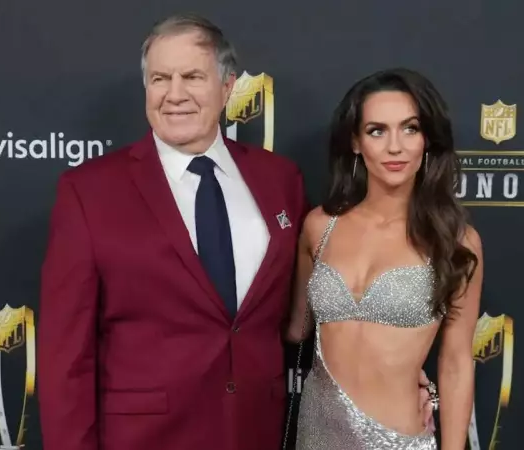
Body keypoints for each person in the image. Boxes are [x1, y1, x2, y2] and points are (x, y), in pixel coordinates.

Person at [37, 13, 435, 450]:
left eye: (192, 77)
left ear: (227, 87)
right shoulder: (89, 192)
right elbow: (64, 356)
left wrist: (391, 373)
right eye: (159, 79)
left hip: (256, 432)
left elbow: (315, 306)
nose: (174, 94)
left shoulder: (279, 180)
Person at [286, 68, 483, 450]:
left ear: (427, 139)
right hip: (316, 435)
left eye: (410, 128)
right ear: (356, 142)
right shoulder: (319, 226)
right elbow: (296, 328)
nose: (396, 147)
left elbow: (457, 364)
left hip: (397, 439)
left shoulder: (455, 242)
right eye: (377, 131)